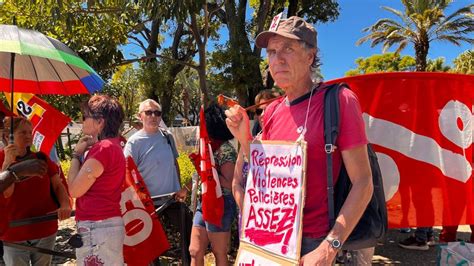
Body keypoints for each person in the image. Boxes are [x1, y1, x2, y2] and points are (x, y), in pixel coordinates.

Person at [225, 16, 374, 265]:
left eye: (288, 48)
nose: (277, 59)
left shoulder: (339, 101)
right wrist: (244, 138)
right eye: (271, 52)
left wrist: (329, 248)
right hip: (271, 241)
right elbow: (268, 175)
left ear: (310, 56)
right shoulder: (271, 111)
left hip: (315, 243)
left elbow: (364, 182)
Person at [124, 99, 192, 264]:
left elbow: (174, 162)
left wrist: (179, 187)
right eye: (148, 112)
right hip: (149, 202)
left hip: (173, 198)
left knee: (189, 233)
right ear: (140, 116)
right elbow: (126, 173)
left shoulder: (167, 136)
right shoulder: (134, 142)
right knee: (152, 245)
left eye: (157, 113)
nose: (153, 116)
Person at [0, 117, 71, 266]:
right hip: (13, 231)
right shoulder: (1, 160)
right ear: (8, 136)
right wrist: (7, 163)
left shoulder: (41, 158)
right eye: (22, 132)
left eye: (29, 132)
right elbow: (6, 193)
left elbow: (58, 185)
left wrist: (65, 204)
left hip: (44, 228)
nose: (28, 136)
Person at [67, 95, 126, 265]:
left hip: (96, 226)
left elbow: (74, 190)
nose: (82, 120)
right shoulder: (113, 146)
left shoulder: (103, 149)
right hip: (106, 224)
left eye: (85, 116)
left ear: (100, 122)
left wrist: (76, 155)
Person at [188, 103, 237, 266]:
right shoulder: (207, 147)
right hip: (206, 202)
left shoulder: (226, 150)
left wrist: (210, 171)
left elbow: (230, 184)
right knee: (194, 250)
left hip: (221, 203)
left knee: (219, 252)